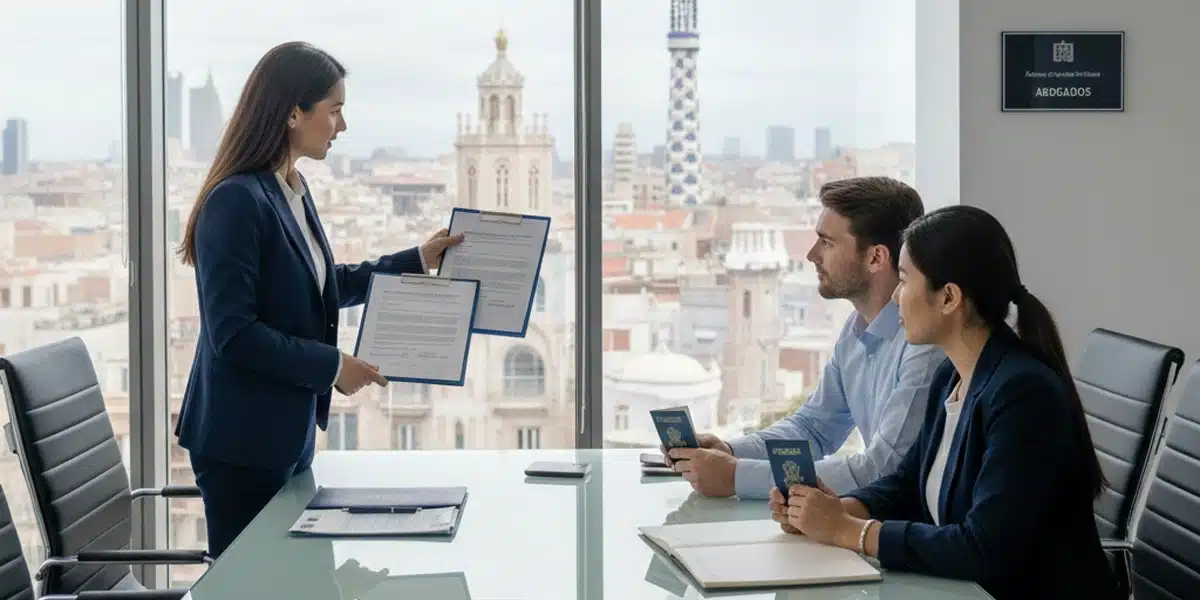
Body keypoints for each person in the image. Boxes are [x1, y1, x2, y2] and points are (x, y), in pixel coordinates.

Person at [172, 41, 464, 558]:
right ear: (292, 114)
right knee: (255, 586)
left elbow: (323, 285)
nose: (342, 126)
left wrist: (416, 260)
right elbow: (234, 335)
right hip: (242, 444)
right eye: (334, 110)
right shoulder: (235, 201)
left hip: (287, 434)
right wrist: (332, 366)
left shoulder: (290, 188)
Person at [770, 205, 1121, 600]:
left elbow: (981, 548)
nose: (896, 296)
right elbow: (907, 484)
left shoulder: (1023, 394)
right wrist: (837, 509)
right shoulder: (950, 377)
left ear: (949, 297)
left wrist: (849, 532)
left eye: (904, 280)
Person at [667, 176, 945, 499]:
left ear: (876, 258)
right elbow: (813, 428)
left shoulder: (925, 346)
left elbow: (881, 469)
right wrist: (730, 451)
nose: (812, 255)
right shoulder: (855, 330)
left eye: (827, 243)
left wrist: (736, 476)